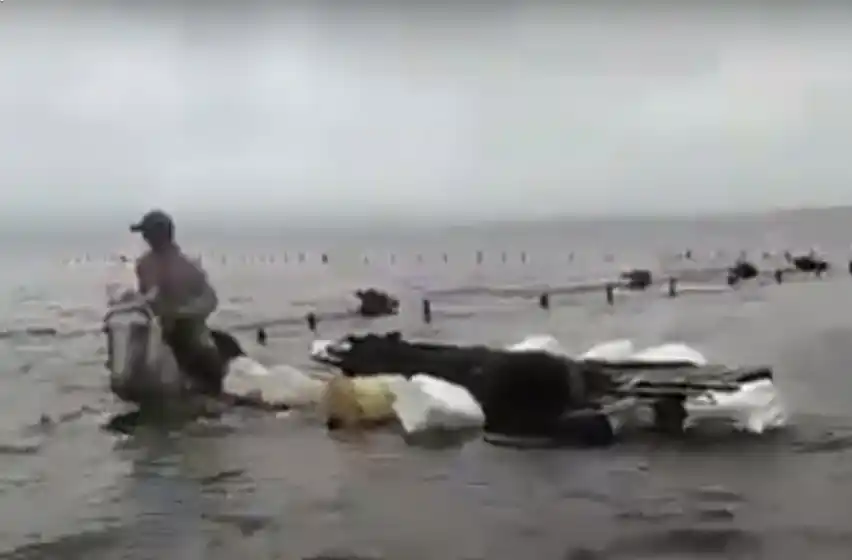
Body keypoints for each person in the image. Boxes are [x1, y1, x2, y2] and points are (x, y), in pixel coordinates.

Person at [129, 209, 224, 394]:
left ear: (160, 234)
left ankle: (214, 392)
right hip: (155, 326)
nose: (144, 237)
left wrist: (183, 312)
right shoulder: (143, 264)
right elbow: (144, 295)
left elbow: (210, 299)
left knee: (204, 350)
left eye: (146, 232)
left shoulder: (188, 266)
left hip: (186, 327)